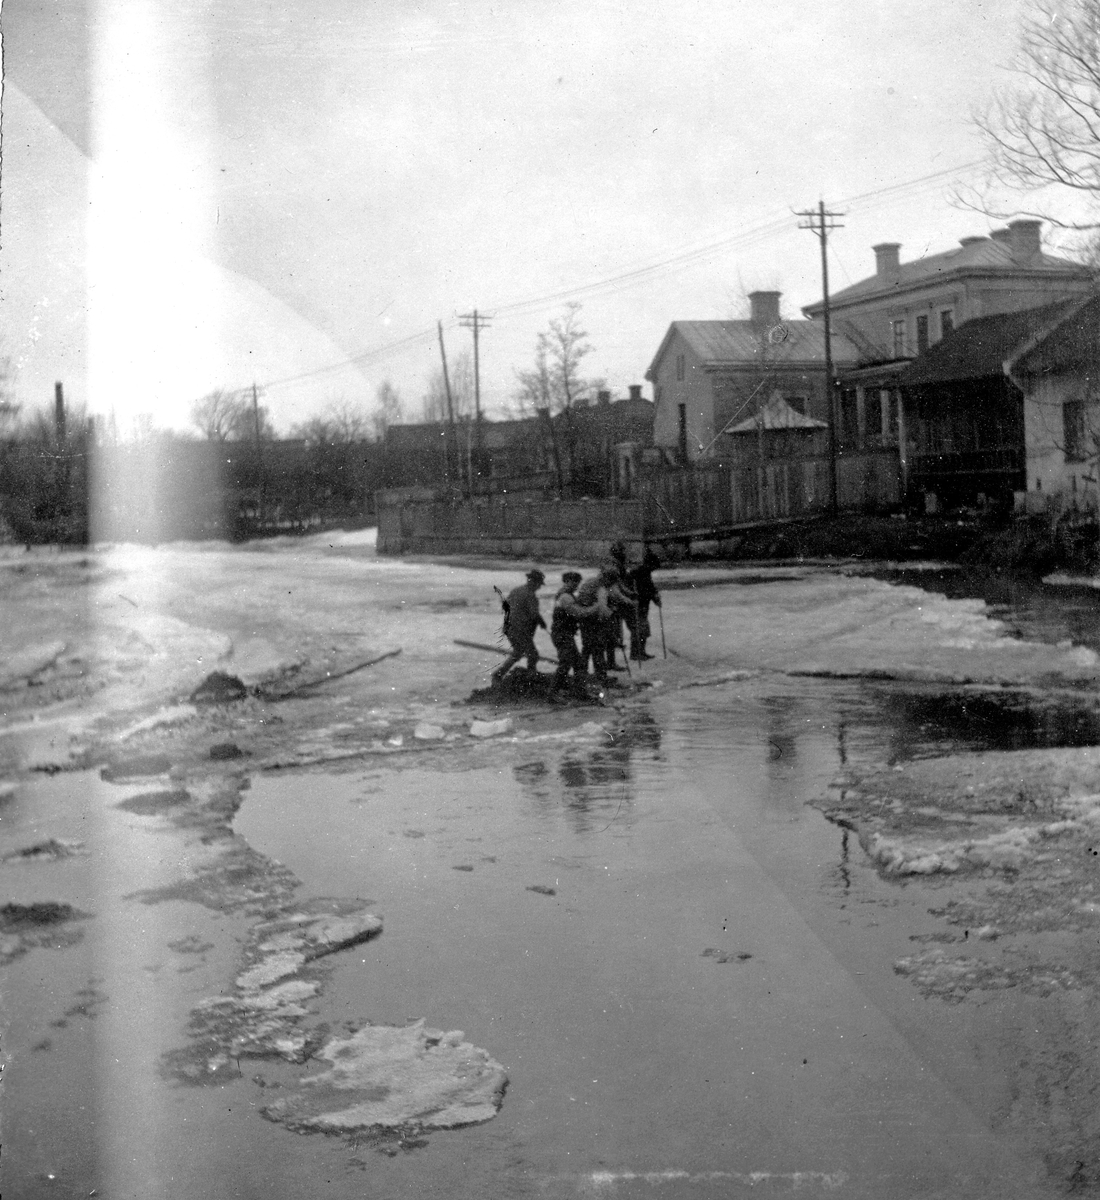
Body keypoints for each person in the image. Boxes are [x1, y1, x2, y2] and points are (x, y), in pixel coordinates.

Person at [492, 569, 547, 684]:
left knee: (518, 651)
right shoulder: (531, 596)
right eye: (539, 584)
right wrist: (541, 622)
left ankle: (499, 674)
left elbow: (506, 607)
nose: (539, 587)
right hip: (520, 629)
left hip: (509, 627)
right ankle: (531, 677)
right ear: (533, 582)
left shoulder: (516, 591)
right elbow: (534, 614)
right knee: (533, 655)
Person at [549, 571, 599, 696]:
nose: (576, 586)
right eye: (574, 583)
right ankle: (553, 694)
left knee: (578, 664)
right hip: (562, 634)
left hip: (563, 634)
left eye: (577, 583)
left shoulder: (566, 595)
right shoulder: (566, 597)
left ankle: (579, 691)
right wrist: (596, 607)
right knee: (566, 665)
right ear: (567, 581)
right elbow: (579, 613)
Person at [575, 565, 616, 683]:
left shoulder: (589, 582)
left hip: (584, 618)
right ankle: (601, 675)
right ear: (608, 579)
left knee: (587, 647)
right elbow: (602, 608)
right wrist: (610, 615)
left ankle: (581, 673)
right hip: (594, 620)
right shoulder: (601, 588)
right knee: (598, 647)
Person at [629, 546, 662, 660]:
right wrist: (654, 597)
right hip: (637, 605)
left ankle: (641, 652)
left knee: (643, 630)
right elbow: (645, 590)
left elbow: (651, 588)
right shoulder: (638, 573)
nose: (654, 569)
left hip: (643, 606)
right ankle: (636, 653)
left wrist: (656, 597)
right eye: (653, 566)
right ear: (649, 564)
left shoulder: (645, 572)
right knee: (640, 630)